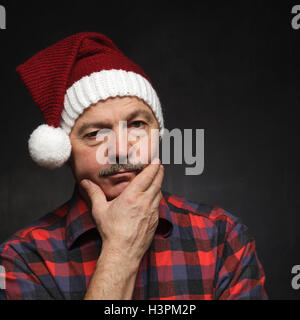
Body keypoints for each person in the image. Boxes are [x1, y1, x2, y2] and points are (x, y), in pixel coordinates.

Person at [0, 32, 267, 300]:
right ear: (65, 152)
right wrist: (120, 252)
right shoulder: (23, 260)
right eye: (94, 134)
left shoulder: (223, 237)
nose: (120, 150)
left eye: (137, 125)